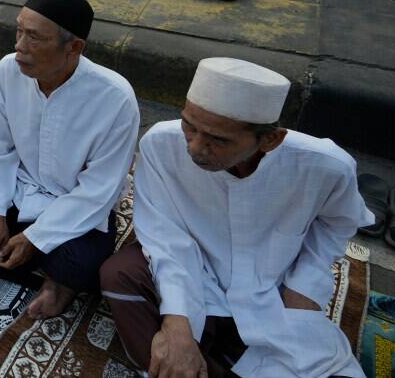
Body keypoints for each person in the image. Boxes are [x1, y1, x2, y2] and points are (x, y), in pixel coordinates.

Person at [100, 57, 371, 378]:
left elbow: (336, 223)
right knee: (120, 275)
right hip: (194, 273)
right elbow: (164, 235)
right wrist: (177, 321)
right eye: (189, 125)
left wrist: (305, 287)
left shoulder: (324, 166)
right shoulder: (161, 144)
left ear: (271, 139)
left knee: (306, 364)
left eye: (217, 139)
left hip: (269, 286)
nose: (196, 147)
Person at [0, 0, 138, 319]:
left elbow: (100, 189)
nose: (19, 47)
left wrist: (35, 238)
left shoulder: (115, 98)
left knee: (85, 270)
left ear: (74, 47)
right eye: (18, 31)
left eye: (34, 38)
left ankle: (51, 275)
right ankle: (40, 267)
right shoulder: (8, 70)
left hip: (72, 206)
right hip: (20, 188)